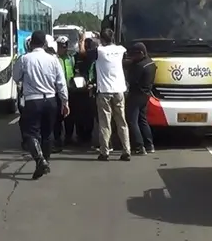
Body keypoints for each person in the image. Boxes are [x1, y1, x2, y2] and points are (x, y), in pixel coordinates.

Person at [12, 30, 69, 179]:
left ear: (31, 43)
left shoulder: (24, 59)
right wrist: (65, 101)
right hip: (50, 99)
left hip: (33, 100)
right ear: (44, 43)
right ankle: (45, 161)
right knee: (47, 133)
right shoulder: (53, 60)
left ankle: (40, 160)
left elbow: (15, 77)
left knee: (30, 133)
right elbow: (61, 83)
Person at [78, 28, 131, 161]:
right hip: (119, 89)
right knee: (121, 121)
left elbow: (82, 53)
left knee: (105, 122)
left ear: (102, 39)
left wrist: (82, 39)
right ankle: (126, 150)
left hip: (104, 91)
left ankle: (105, 151)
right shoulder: (121, 49)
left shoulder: (99, 51)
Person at [125, 42, 156, 155]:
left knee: (132, 121)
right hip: (146, 94)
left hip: (136, 94)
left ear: (141, 53)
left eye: (134, 54)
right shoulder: (151, 63)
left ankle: (139, 146)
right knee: (143, 120)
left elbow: (131, 80)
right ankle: (149, 145)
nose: (132, 57)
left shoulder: (139, 66)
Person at [53, 35, 76, 148]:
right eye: (62, 46)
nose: (64, 48)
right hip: (56, 92)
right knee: (57, 117)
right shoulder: (54, 59)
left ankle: (69, 137)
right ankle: (57, 139)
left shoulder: (70, 58)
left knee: (69, 116)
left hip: (69, 90)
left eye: (65, 46)